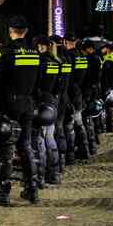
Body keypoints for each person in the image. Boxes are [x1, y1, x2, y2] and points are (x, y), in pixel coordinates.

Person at [0, 15, 41, 205]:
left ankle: (3, 191)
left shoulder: (7, 53)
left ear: (10, 30)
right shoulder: (34, 53)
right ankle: (32, 189)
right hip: (28, 103)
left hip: (10, 104)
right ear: (26, 32)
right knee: (25, 146)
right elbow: (37, 81)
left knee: (6, 149)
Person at [32, 36, 61, 186]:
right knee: (50, 137)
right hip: (53, 103)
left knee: (40, 141)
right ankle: (55, 173)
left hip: (41, 104)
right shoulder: (57, 62)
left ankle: (41, 176)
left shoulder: (40, 62)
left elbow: (35, 84)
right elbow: (58, 87)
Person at [64, 34, 91, 162]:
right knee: (79, 124)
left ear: (66, 42)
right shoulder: (83, 57)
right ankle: (85, 149)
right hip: (80, 93)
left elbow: (67, 78)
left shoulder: (69, 56)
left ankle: (70, 155)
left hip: (71, 94)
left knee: (69, 125)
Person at [53, 35, 72, 179]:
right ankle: (65, 158)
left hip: (56, 99)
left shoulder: (55, 61)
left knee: (56, 131)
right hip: (65, 97)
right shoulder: (67, 59)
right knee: (63, 128)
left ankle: (57, 165)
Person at [81, 40, 101, 152]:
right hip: (94, 90)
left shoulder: (91, 59)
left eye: (85, 50)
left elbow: (90, 77)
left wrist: (88, 92)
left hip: (90, 91)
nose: (84, 52)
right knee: (93, 116)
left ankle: (92, 144)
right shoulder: (96, 58)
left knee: (88, 118)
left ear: (90, 49)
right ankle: (95, 140)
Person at [100, 42, 113, 132]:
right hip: (111, 85)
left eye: (103, 48)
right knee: (109, 106)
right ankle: (110, 125)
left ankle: (109, 126)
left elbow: (106, 75)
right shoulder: (111, 58)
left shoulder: (109, 59)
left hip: (107, 86)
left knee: (108, 106)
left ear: (107, 49)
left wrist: (106, 87)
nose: (102, 50)